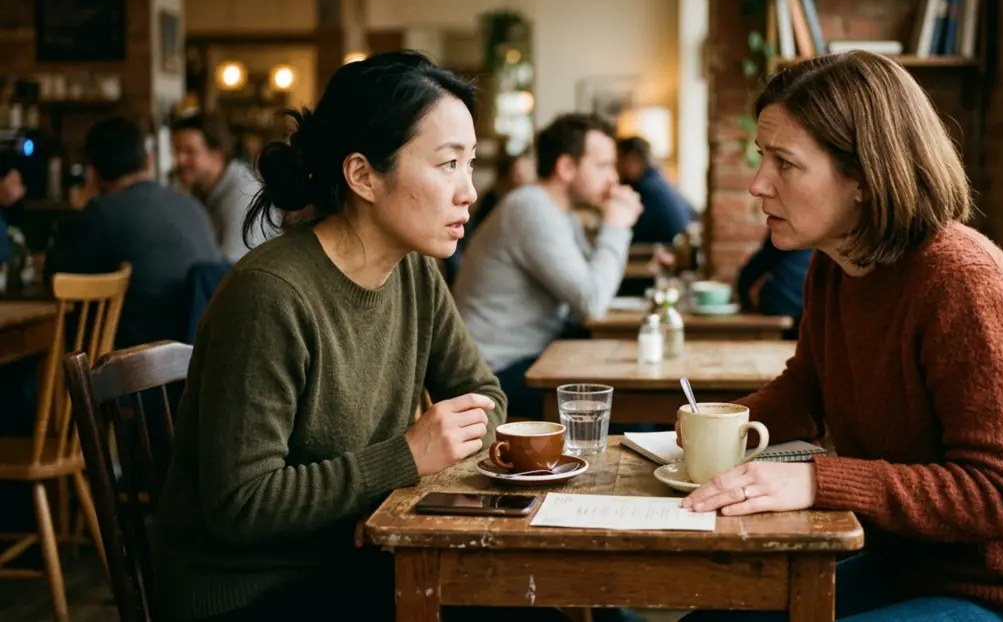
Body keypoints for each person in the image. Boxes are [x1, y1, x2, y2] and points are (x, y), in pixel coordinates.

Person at [679, 51, 1003, 622]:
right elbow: (808, 389)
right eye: (762, 158)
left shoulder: (966, 287)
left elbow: (999, 496)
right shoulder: (836, 265)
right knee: (714, 618)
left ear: (862, 176)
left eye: (784, 163)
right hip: (910, 564)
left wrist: (818, 481)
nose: (758, 185)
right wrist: (709, 430)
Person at [152, 51, 567, 622]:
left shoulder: (414, 270)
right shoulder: (270, 295)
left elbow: (485, 395)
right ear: (363, 176)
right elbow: (240, 505)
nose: (468, 191)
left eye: (469, 164)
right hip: (253, 592)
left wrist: (395, 484)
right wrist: (403, 459)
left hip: (363, 555)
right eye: (448, 164)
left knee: (534, 604)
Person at [452, 113, 642, 418]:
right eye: (604, 166)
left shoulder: (559, 212)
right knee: (632, 411)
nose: (614, 179)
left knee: (629, 387)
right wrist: (617, 225)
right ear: (566, 167)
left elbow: (590, 284)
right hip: (492, 374)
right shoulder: (531, 209)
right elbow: (591, 301)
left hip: (533, 356)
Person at [43, 117, 223, 349]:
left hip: (141, 370)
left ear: (93, 172)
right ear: (148, 161)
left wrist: (80, 208)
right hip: (202, 362)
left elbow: (55, 279)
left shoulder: (101, 212)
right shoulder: (191, 205)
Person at [171, 113, 274, 262]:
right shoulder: (200, 189)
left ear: (217, 155)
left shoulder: (244, 192)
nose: (179, 161)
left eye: (189, 152)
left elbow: (231, 267)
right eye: (176, 151)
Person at [442, 148, 534, 285]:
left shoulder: (506, 196)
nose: (523, 176)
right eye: (518, 171)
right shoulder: (496, 197)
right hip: (465, 253)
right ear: (507, 172)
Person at [616, 136, 696, 245]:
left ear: (633, 160)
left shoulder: (644, 191)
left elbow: (628, 238)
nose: (616, 169)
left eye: (618, 160)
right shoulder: (661, 183)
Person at [735, 235, 813, 340]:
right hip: (809, 313)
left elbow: (748, 277)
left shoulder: (785, 232)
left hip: (781, 307)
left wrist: (746, 301)